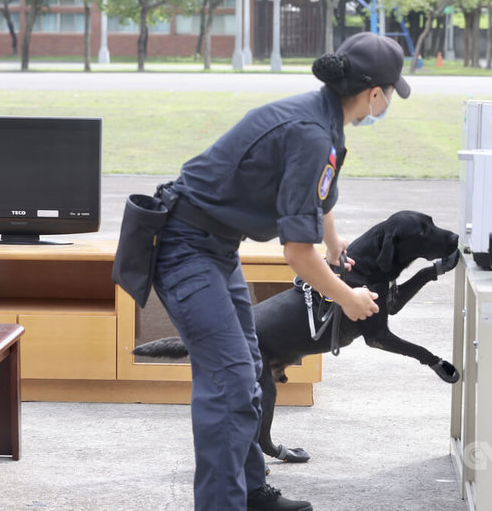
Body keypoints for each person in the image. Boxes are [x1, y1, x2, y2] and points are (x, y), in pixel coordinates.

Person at [152, 32, 410, 511]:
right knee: (229, 381)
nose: (391, 100)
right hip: (183, 246)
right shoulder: (312, 132)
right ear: (375, 93)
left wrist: (334, 242)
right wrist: (347, 297)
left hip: (215, 246)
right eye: (392, 91)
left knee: (248, 366)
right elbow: (296, 252)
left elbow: (316, 197)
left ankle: (250, 492)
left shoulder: (324, 121)